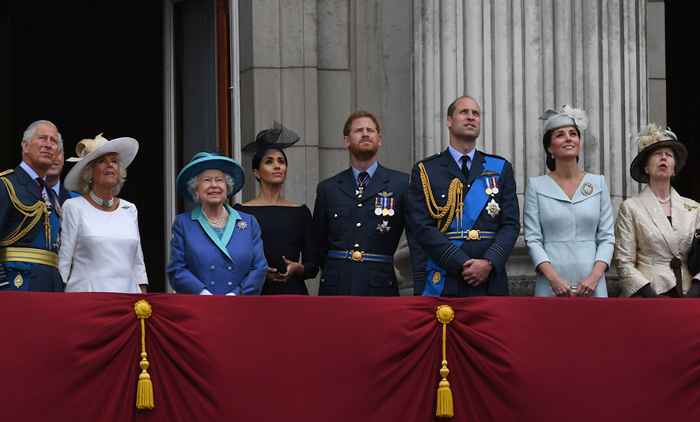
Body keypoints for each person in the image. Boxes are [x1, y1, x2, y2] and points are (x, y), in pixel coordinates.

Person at [406, 96, 520, 296]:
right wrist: (460, 262)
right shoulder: (426, 170)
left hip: (490, 280)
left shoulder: (500, 168)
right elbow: (421, 226)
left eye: (475, 113)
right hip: (446, 277)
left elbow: (510, 225)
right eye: (464, 112)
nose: (471, 117)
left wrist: (489, 262)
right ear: (449, 121)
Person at [312, 110, 409, 296]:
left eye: (370, 130)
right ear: (347, 141)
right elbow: (318, 243)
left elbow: (415, 236)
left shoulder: (401, 184)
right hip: (337, 285)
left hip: (380, 284)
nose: (365, 134)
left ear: (379, 139)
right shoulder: (328, 188)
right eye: (358, 131)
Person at [523, 106, 615, 297]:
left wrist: (594, 277)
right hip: (551, 283)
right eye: (560, 135)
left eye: (573, 134)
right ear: (549, 147)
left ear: (579, 142)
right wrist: (553, 279)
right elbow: (533, 239)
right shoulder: (536, 186)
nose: (568, 138)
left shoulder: (597, 183)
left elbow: (607, 237)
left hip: (592, 283)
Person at [614, 124, 700, 297]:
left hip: (688, 293)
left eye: (668, 155)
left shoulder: (694, 208)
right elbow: (624, 261)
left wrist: (696, 288)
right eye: (657, 154)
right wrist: (649, 294)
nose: (663, 157)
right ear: (646, 168)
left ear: (674, 168)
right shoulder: (630, 207)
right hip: (649, 293)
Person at [58, 134, 148, 293]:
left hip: (127, 301)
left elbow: (138, 264)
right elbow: (64, 261)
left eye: (114, 161)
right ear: (89, 173)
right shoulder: (73, 207)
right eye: (101, 161)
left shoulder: (129, 209)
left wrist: (143, 298)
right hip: (87, 300)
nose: (110, 165)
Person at [168, 152, 267, 295]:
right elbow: (176, 269)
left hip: (241, 306)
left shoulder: (249, 222)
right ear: (196, 189)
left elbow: (259, 267)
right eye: (207, 180)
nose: (214, 185)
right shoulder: (183, 224)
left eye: (219, 180)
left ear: (227, 187)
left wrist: (236, 294)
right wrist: (203, 293)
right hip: (199, 307)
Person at [236, 124, 319, 295]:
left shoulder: (300, 212)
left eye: (281, 161)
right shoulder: (241, 212)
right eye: (269, 161)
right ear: (256, 173)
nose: (277, 166)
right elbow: (234, 260)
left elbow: (313, 266)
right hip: (254, 295)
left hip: (292, 295)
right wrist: (258, 271)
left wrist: (298, 268)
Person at [0, 120, 64, 292]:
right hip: (17, 285)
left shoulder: (51, 194)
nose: (49, 145)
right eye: (43, 138)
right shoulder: (6, 184)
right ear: (25, 146)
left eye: (53, 141)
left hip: (51, 287)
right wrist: (3, 285)